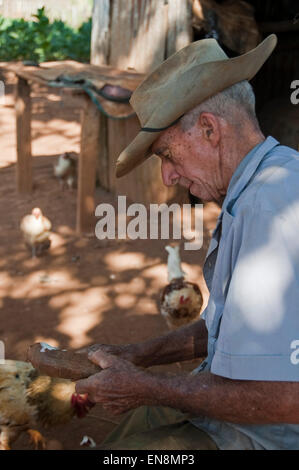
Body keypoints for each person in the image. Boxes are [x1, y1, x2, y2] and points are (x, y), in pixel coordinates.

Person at [76, 34, 299, 450]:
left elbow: (288, 401)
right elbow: (222, 329)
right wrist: (137, 355)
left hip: (265, 436)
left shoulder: (271, 208)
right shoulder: (256, 186)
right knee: (133, 428)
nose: (167, 177)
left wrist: (149, 388)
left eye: (167, 155)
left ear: (210, 129)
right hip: (240, 418)